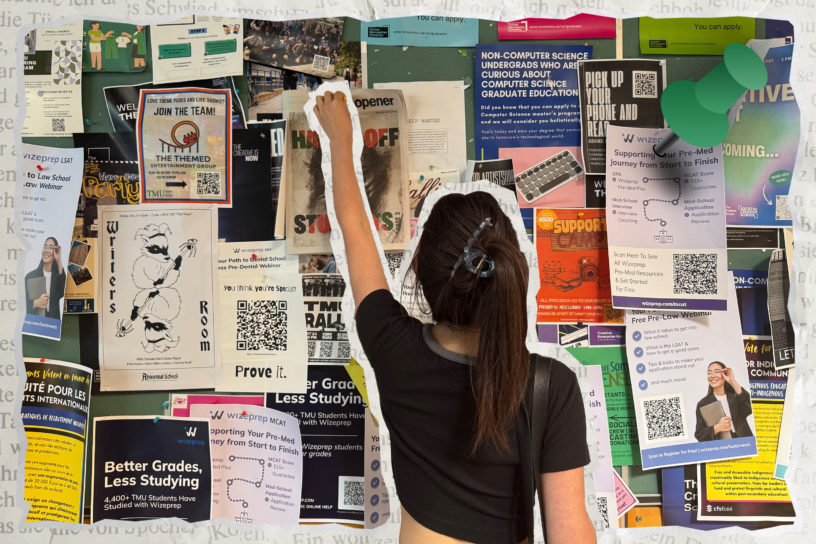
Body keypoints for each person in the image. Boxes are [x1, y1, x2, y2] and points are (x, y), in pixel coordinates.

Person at [313, 91, 595, 544]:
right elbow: (569, 534)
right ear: (512, 272)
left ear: (422, 274)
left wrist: (340, 141)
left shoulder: (392, 346)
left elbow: (354, 231)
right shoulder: (550, 386)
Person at [694, 361, 753, 441]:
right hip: (723, 446)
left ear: (724, 374)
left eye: (717, 372)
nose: (712, 376)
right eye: (709, 373)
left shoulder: (735, 396)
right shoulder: (703, 404)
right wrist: (717, 428)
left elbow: (749, 409)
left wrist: (732, 381)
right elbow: (699, 435)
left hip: (745, 442)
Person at [25, 237, 66, 320]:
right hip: (35, 323)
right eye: (44, 246)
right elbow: (21, 304)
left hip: (53, 324)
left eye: (50, 247)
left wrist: (58, 260)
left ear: (55, 252)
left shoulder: (57, 277)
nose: (46, 250)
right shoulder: (30, 276)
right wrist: (35, 303)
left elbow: (62, 291)